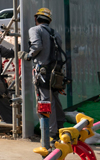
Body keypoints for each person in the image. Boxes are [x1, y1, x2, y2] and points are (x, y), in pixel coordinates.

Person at [19, 7, 65, 137]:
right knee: (55, 99)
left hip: (44, 73)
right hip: (56, 73)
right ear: (49, 20)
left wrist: (28, 55)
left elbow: (37, 45)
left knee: (45, 101)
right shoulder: (55, 33)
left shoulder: (35, 30)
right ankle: (60, 127)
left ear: (36, 18)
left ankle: (50, 133)